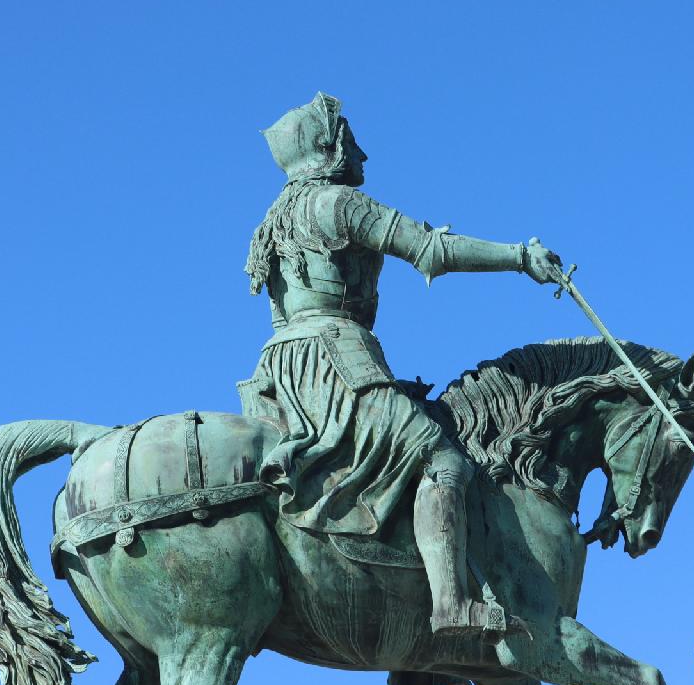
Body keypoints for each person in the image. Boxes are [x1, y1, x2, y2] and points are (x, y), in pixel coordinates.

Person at [242, 93, 566, 636]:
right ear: (329, 148)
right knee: (445, 461)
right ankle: (451, 605)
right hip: (337, 359)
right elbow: (431, 250)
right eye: (350, 140)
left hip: (280, 369)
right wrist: (517, 257)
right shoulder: (339, 204)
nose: (362, 154)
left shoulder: (273, 221)